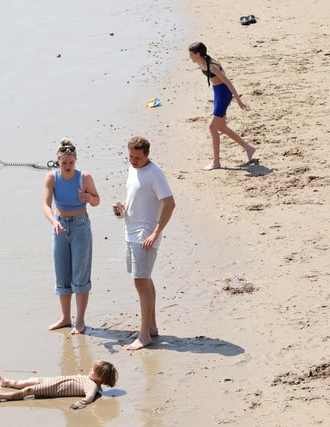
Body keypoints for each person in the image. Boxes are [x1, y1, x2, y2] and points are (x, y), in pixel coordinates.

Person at [113, 136, 175, 351]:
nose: (133, 161)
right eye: (130, 156)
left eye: (137, 158)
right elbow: (134, 197)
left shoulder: (155, 173)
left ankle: (144, 334)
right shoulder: (133, 169)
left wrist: (156, 232)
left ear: (147, 155)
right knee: (144, 280)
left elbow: (169, 203)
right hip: (130, 231)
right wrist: (122, 206)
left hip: (145, 235)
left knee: (140, 282)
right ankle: (152, 327)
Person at [43, 138, 100, 335]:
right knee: (62, 275)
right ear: (58, 162)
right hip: (60, 226)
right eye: (64, 162)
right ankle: (65, 318)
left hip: (80, 226)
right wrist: (54, 221)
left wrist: (89, 198)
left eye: (71, 162)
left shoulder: (84, 177)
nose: (68, 166)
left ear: (76, 161)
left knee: (80, 275)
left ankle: (80, 320)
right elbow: (45, 205)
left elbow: (97, 200)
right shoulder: (52, 178)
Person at [188, 41, 256, 170]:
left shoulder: (212, 66)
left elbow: (228, 82)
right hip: (218, 93)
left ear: (198, 54)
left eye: (191, 55)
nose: (189, 57)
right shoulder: (201, 62)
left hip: (224, 94)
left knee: (212, 127)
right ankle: (249, 148)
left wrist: (238, 100)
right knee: (222, 127)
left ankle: (216, 162)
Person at [0, 359, 118, 409]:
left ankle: (1, 397)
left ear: (100, 377)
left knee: (27, 390)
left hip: (53, 388)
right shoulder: (90, 378)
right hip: (52, 380)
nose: (90, 370)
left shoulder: (93, 386)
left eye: (93, 371)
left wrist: (81, 403)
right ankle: (7, 382)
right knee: (29, 380)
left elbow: (89, 397)